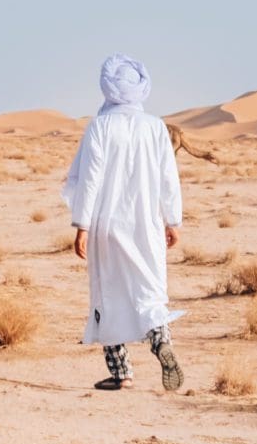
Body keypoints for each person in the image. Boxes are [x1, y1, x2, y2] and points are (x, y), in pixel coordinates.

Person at [64, 54, 185, 391]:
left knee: (108, 292)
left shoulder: (100, 126)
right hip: (147, 223)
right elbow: (168, 177)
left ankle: (121, 372)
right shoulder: (156, 126)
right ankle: (160, 340)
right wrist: (172, 220)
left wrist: (81, 224)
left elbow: (89, 178)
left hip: (107, 223)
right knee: (148, 289)